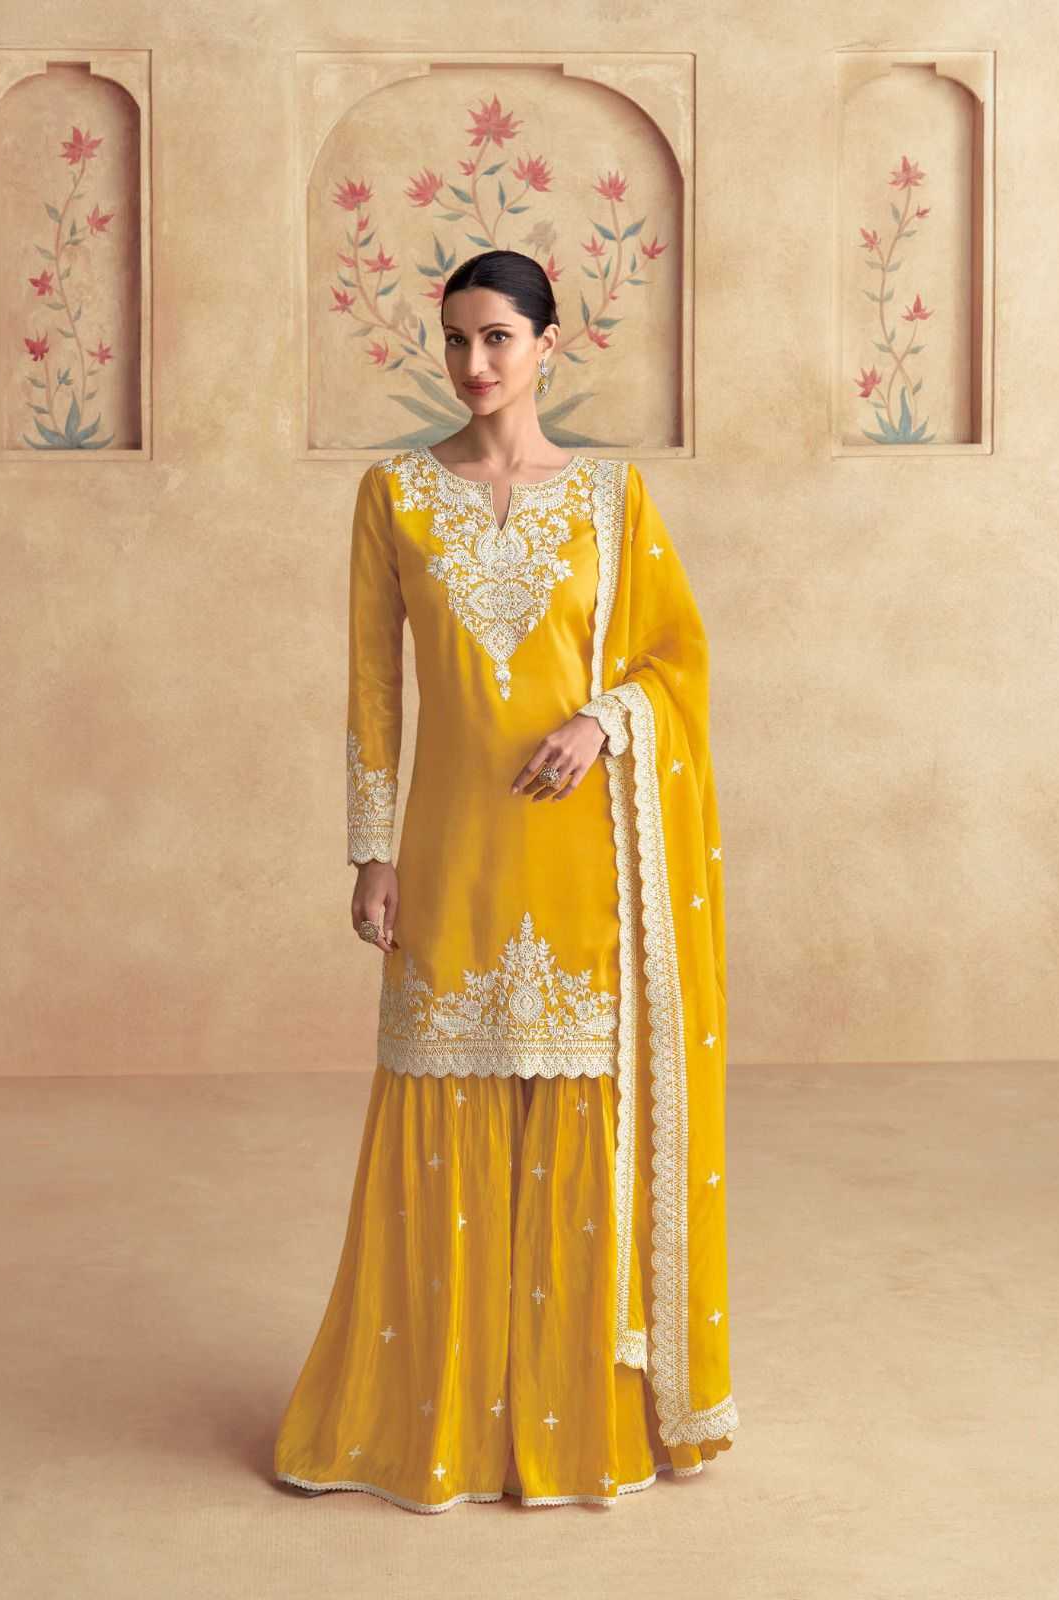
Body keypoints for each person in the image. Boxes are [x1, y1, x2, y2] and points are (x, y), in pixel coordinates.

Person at [274, 248, 738, 1512]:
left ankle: (576, 1424)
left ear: (547, 346)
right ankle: (436, 1423)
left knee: (576, 1109)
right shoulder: (393, 495)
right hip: (451, 851)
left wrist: (603, 720)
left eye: (497, 337)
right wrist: (372, 850)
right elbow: (374, 688)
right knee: (443, 1107)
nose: (473, 363)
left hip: (581, 859)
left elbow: (676, 662)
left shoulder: (612, 499)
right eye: (455, 339)